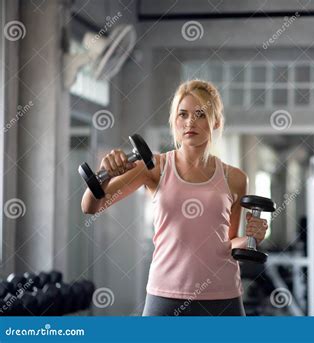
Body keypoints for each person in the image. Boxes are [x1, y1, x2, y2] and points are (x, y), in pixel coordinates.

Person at [81, 80, 268, 316]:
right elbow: (90, 206)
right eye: (183, 114)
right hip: (165, 295)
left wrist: (252, 238)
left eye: (200, 114)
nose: (190, 121)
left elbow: (228, 243)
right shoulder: (154, 167)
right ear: (174, 121)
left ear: (216, 121)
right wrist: (104, 176)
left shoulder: (235, 178)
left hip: (223, 296)